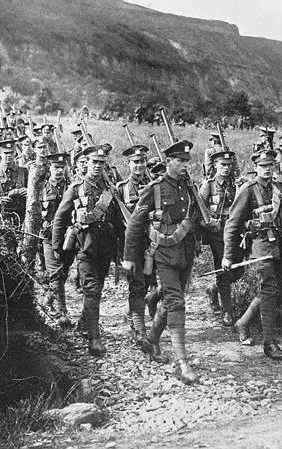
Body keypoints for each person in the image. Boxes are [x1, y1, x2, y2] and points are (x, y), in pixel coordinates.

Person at [123, 140, 206, 384]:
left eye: (187, 161)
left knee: (171, 300)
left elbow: (195, 217)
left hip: (185, 252)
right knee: (176, 302)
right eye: (180, 161)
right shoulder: (155, 188)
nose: (184, 165)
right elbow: (135, 224)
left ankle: (151, 340)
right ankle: (182, 364)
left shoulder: (189, 187)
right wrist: (129, 257)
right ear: (168, 161)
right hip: (163, 253)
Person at [51, 145, 124, 356]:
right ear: (86, 164)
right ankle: (94, 339)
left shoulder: (110, 191)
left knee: (97, 287)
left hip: (106, 248)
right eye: (94, 163)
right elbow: (60, 218)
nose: (97, 167)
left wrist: (121, 250)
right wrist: (57, 247)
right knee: (92, 289)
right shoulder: (75, 189)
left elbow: (118, 221)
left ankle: (84, 324)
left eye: (101, 163)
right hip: (85, 247)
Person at [223, 149, 282, 360]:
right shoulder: (248, 189)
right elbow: (232, 224)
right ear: (255, 168)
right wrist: (228, 255)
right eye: (262, 166)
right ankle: (269, 343)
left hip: (278, 243)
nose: (267, 169)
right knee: (269, 288)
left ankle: (243, 323)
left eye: (270, 165)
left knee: (271, 288)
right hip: (259, 245)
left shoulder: (278, 187)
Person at [116, 144, 154, 342]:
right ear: (128, 164)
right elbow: (116, 219)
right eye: (135, 162)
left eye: (142, 162)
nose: (139, 166)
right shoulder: (121, 189)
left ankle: (130, 311)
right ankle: (140, 330)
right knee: (137, 284)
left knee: (148, 282)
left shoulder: (154, 186)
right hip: (131, 244)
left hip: (151, 242)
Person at [200, 149, 240, 326]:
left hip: (233, 233)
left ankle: (213, 288)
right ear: (215, 165)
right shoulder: (208, 185)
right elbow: (199, 210)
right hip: (217, 234)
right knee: (224, 271)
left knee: (238, 270)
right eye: (223, 165)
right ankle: (227, 312)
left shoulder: (234, 185)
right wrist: (208, 223)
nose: (226, 168)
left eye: (229, 165)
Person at [41, 152, 73, 325]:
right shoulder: (42, 187)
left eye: (62, 168)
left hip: (68, 238)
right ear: (49, 168)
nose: (59, 171)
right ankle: (62, 313)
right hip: (48, 237)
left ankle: (48, 299)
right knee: (56, 274)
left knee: (64, 272)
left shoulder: (71, 188)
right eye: (56, 167)